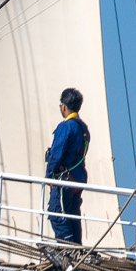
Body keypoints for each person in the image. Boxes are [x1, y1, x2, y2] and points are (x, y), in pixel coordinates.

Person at [45, 87, 91, 245]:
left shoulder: (66, 126)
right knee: (72, 215)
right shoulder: (83, 128)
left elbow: (56, 154)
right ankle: (77, 248)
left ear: (63, 106)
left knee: (56, 213)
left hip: (65, 180)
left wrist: (49, 175)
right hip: (78, 178)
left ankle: (67, 248)